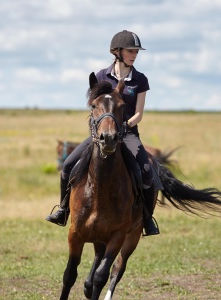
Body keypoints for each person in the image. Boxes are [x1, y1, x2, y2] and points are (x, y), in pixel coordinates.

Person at [46, 30, 160, 236]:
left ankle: (147, 219)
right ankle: (63, 210)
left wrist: (124, 126)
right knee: (68, 165)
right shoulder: (100, 76)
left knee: (147, 171)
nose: (134, 55)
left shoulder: (140, 80)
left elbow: (139, 114)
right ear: (117, 52)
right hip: (101, 135)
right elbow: (94, 107)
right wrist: (104, 128)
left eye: (136, 51)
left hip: (128, 134)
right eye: (130, 51)